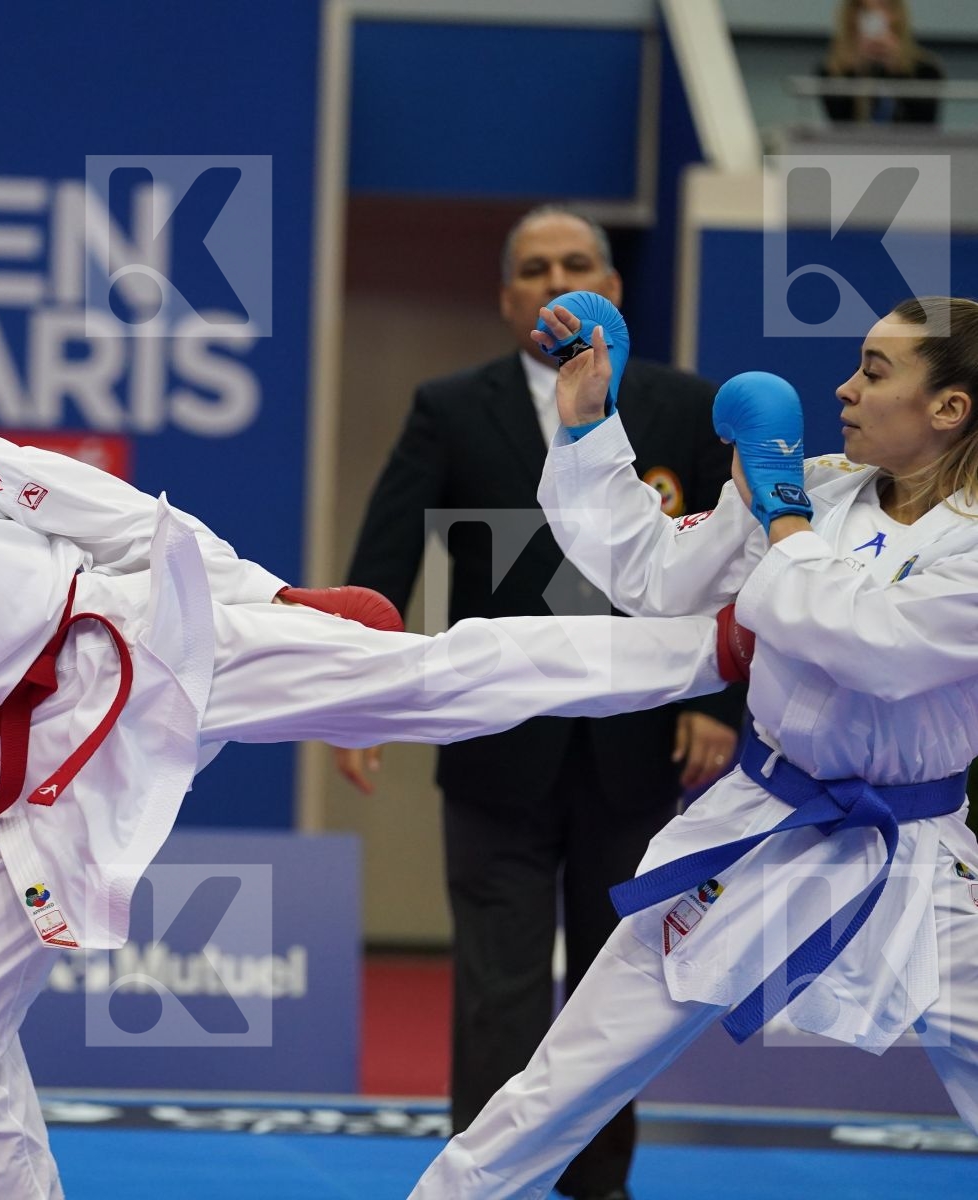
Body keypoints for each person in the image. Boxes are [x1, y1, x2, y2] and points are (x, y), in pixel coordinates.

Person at [0, 303, 739, 1200]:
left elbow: (97, 509)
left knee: (431, 679)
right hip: (46, 767)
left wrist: (276, 595)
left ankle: (713, 646)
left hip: (139, 642)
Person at [409, 293, 978, 1198]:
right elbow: (659, 577)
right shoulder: (816, 484)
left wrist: (784, 519)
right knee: (561, 1083)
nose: (843, 389)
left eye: (874, 371)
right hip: (758, 825)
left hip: (915, 853)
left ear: (949, 407)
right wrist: (592, 419)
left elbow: (877, 648)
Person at [339, 207, 742, 1200]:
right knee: (496, 989)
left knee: (617, 988)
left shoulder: (680, 406)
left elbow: (732, 561)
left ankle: (597, 1185)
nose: (553, 278)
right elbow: (384, 555)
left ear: (607, 284)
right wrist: (359, 698)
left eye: (574, 262)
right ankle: (485, 1181)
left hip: (636, 745)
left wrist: (720, 708)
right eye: (532, 268)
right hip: (491, 741)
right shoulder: (449, 405)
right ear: (507, 298)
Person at [818, 0, 944, 126]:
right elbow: (840, 125)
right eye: (864, 11)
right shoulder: (832, 72)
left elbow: (925, 126)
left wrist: (898, 70)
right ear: (849, 16)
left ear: (899, 14)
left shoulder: (927, 70)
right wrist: (855, 69)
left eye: (884, 6)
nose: (876, 18)